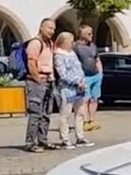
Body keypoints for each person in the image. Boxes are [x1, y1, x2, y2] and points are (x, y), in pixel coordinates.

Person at [53, 32, 92, 149]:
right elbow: (63, 74)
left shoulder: (72, 53)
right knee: (66, 114)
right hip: (67, 89)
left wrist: (83, 82)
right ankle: (65, 138)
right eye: (70, 41)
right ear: (63, 42)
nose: (72, 43)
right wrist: (76, 82)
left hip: (80, 88)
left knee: (80, 112)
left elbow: (79, 69)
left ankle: (80, 136)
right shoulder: (58, 55)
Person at [23, 19, 57, 152]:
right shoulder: (35, 43)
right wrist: (38, 80)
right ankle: (30, 142)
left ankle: (43, 140)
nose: (52, 31)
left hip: (48, 80)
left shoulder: (49, 43)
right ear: (41, 28)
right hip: (36, 81)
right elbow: (31, 63)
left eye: (53, 29)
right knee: (35, 113)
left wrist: (51, 79)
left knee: (46, 113)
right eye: (49, 28)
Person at [74, 25, 102, 132]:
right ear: (82, 35)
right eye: (89, 34)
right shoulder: (76, 47)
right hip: (84, 77)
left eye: (92, 33)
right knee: (85, 100)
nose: (92, 35)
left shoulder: (93, 46)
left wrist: (100, 73)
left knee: (94, 99)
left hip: (96, 76)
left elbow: (97, 59)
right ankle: (85, 122)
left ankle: (92, 120)